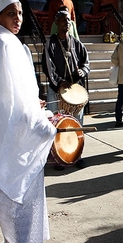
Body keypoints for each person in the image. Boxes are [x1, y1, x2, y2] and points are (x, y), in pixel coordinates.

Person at [0, 1, 57, 243]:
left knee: (4, 192)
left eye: (20, 13)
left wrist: (33, 103)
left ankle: (10, 242)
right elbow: (15, 100)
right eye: (11, 13)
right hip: (14, 135)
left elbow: (2, 93)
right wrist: (43, 125)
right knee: (22, 193)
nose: (18, 18)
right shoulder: (7, 44)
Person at [42, 8, 90, 169]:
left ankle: (77, 156)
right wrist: (59, 82)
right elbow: (48, 67)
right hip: (57, 90)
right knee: (57, 126)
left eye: (69, 20)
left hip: (74, 90)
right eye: (63, 19)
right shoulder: (51, 43)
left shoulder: (76, 43)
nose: (67, 22)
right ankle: (59, 157)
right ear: (56, 23)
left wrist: (82, 71)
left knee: (76, 125)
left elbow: (86, 63)